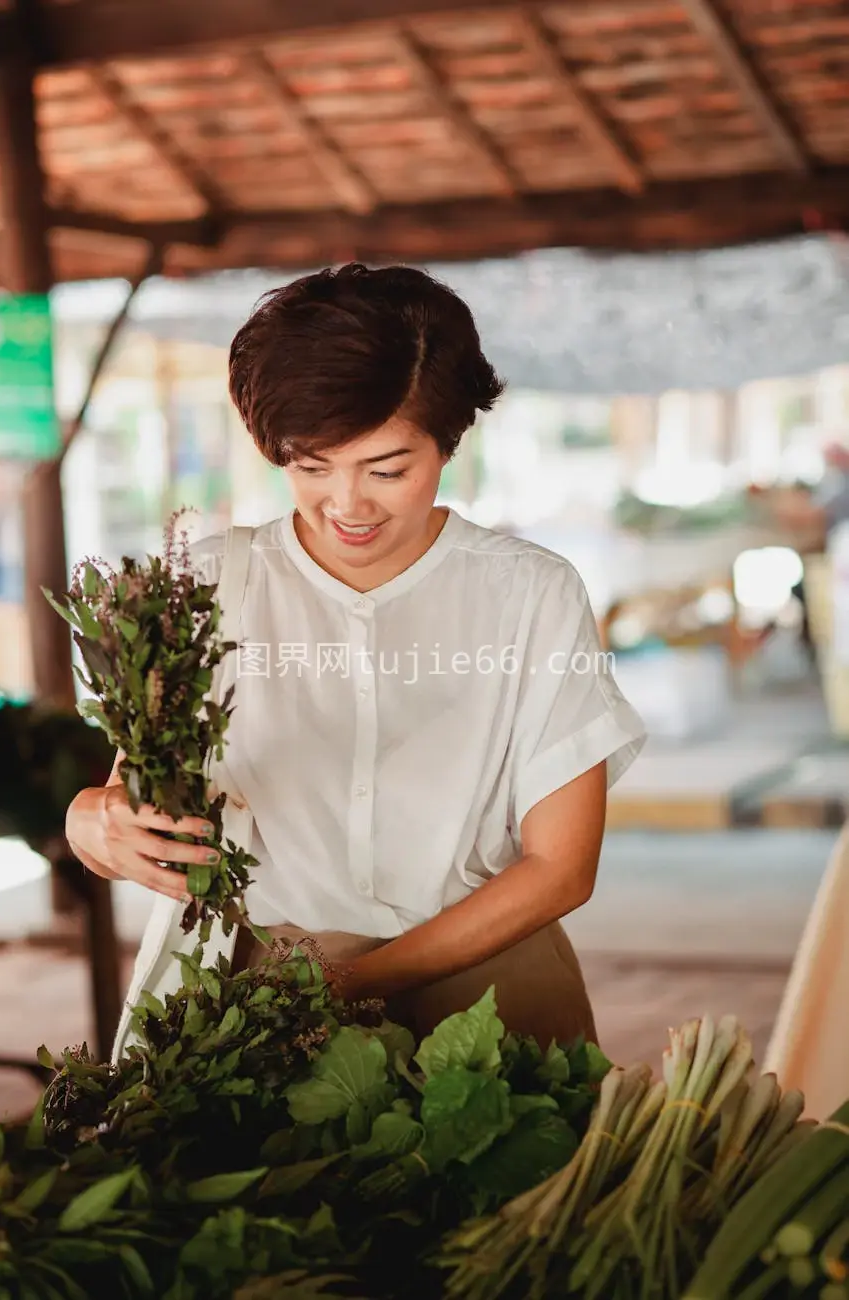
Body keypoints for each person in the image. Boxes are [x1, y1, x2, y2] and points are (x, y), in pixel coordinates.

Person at [64, 263, 647, 1060]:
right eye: (311, 466)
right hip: (262, 986)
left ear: (448, 440)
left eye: (386, 469)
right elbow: (132, 793)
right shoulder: (205, 583)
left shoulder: (528, 593)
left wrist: (351, 982)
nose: (348, 504)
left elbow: (559, 867)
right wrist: (93, 822)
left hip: (491, 983)